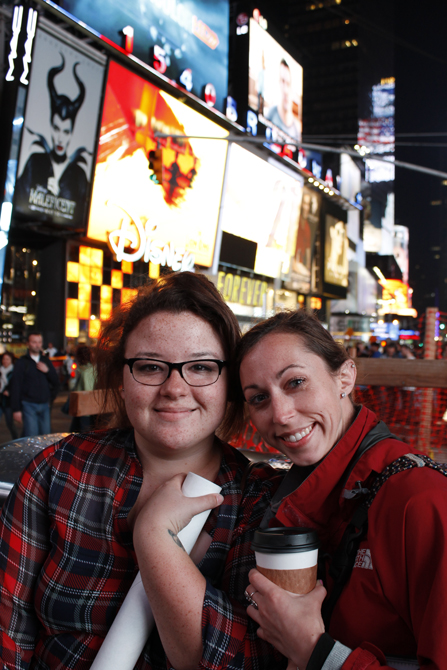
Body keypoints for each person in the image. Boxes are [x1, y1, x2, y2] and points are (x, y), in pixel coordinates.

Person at [0, 272, 285, 670]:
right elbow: (8, 630)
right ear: (122, 377)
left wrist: (155, 537)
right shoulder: (59, 471)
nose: (174, 387)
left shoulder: (260, 502)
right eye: (151, 367)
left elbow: (248, 659)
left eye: (201, 367)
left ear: (229, 382)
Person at [235, 308, 447, 669]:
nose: (280, 414)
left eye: (295, 382)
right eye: (259, 398)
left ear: (345, 377)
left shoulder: (421, 500)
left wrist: (315, 651)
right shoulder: (285, 493)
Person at [15, 55, 89, 226]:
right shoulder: (35, 162)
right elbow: (17, 200)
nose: (60, 138)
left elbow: (82, 221)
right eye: (56, 129)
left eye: (66, 131)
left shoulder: (79, 175)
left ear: (71, 133)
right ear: (50, 126)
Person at [10, 332, 59, 437]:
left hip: (45, 405)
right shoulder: (22, 362)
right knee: (32, 436)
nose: (37, 345)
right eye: (34, 342)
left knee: (46, 438)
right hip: (29, 404)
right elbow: (15, 386)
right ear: (28, 343)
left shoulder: (45, 360)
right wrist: (16, 409)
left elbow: (56, 381)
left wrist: (47, 371)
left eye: (39, 342)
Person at [265, 58, 301, 142]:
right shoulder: (270, 114)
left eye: (288, 83)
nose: (285, 90)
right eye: (282, 81)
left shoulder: (296, 132)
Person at [69, 344, 96, 433]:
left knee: (81, 432)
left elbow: (88, 390)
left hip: (84, 407)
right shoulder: (93, 369)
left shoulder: (85, 372)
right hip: (87, 408)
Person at [0, 352, 18, 440]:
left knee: (9, 423)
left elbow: (17, 385)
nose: (5, 361)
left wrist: (10, 391)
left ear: (11, 360)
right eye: (3, 359)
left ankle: (16, 440)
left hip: (8, 402)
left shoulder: (14, 372)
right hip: (0, 399)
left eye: (7, 359)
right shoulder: (0, 370)